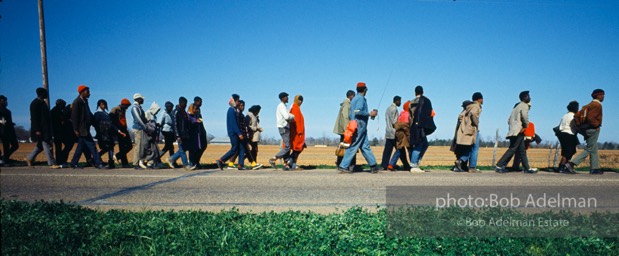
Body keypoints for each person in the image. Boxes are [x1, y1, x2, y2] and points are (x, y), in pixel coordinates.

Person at [338, 82, 380, 174]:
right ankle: (343, 165)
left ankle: (373, 166)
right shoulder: (360, 99)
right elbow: (357, 112)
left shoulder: (355, 99)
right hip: (360, 125)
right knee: (354, 145)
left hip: (359, 125)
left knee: (365, 146)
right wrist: (369, 114)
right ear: (365, 90)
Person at [495, 91, 536, 174]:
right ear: (524, 98)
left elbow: (509, 119)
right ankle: (499, 165)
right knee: (512, 149)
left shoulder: (516, 106)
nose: (530, 98)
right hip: (518, 131)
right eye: (528, 96)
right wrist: (525, 126)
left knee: (522, 151)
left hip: (513, 130)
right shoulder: (524, 105)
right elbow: (524, 116)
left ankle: (527, 168)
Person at [565, 89, 605, 175]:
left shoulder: (586, 106)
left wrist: (581, 127)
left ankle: (595, 168)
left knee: (593, 148)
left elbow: (576, 116)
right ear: (598, 96)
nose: (603, 97)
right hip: (593, 129)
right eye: (602, 95)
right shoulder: (597, 105)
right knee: (590, 149)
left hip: (586, 129)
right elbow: (591, 118)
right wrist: (596, 125)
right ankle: (571, 164)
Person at [69, 85, 105, 169]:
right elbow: (74, 117)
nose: (89, 93)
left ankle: (74, 163)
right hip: (82, 129)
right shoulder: (77, 102)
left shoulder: (85, 101)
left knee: (80, 147)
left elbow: (88, 114)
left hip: (85, 128)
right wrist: (75, 129)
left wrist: (94, 121)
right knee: (92, 146)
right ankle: (98, 163)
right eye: (87, 92)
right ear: (81, 92)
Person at [25, 88, 60, 168]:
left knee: (40, 146)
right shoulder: (35, 104)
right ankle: (52, 163)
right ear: (41, 94)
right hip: (41, 129)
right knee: (48, 145)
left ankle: (29, 158)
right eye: (45, 93)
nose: (47, 95)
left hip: (46, 128)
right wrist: (37, 129)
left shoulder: (43, 103)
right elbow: (34, 118)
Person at [454, 92, 483, 173]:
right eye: (482, 98)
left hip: (467, 130)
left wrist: (465, 125)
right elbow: (474, 114)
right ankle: (472, 167)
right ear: (479, 99)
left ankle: (460, 161)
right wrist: (475, 123)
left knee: (470, 148)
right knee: (475, 148)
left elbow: (460, 116)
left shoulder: (468, 107)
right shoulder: (476, 106)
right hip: (473, 130)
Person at [215, 98, 246, 170]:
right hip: (233, 133)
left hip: (237, 132)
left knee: (242, 148)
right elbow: (233, 123)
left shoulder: (235, 110)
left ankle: (240, 165)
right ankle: (221, 160)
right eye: (237, 101)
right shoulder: (231, 110)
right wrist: (239, 133)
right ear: (234, 101)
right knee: (234, 149)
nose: (238, 102)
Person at [409, 86, 434, 173]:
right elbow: (429, 113)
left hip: (413, 126)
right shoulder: (426, 101)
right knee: (419, 144)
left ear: (415, 92)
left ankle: (415, 161)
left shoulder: (411, 102)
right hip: (421, 126)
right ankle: (414, 164)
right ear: (423, 92)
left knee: (424, 144)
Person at [94, 99, 126, 169]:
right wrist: (98, 132)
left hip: (109, 133)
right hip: (102, 133)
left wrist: (118, 131)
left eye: (105, 104)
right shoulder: (97, 113)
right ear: (99, 105)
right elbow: (95, 124)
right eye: (102, 104)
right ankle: (96, 158)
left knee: (110, 147)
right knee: (107, 147)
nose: (104, 106)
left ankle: (110, 162)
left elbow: (111, 124)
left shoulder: (106, 113)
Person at [167, 97, 196, 170]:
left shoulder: (183, 112)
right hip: (180, 134)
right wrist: (177, 135)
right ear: (181, 103)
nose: (186, 105)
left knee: (184, 148)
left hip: (185, 134)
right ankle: (186, 165)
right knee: (182, 150)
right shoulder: (176, 112)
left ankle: (172, 159)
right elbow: (175, 125)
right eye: (185, 103)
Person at [269, 92, 295, 170]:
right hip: (284, 127)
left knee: (287, 146)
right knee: (287, 147)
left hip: (284, 127)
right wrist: (293, 116)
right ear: (282, 98)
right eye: (286, 97)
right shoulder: (281, 106)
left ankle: (286, 164)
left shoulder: (283, 106)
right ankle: (274, 158)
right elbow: (287, 116)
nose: (287, 98)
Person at [333, 90, 356, 168]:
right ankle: (347, 164)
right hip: (345, 130)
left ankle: (340, 163)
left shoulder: (345, 104)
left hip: (343, 129)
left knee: (343, 146)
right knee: (347, 146)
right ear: (351, 96)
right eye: (354, 96)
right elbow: (346, 117)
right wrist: (349, 130)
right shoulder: (347, 104)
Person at [556, 101, 580, 174]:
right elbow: (576, 126)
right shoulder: (573, 116)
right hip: (569, 134)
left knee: (566, 151)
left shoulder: (565, 115)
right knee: (568, 152)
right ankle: (562, 167)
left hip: (561, 134)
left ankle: (563, 166)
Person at [109, 98, 133, 168]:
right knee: (122, 147)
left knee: (129, 146)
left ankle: (117, 156)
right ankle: (124, 163)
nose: (127, 108)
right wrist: (118, 130)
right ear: (123, 104)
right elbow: (111, 120)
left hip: (124, 129)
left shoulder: (123, 110)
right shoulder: (115, 109)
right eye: (127, 106)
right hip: (119, 130)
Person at [389, 100, 411, 171]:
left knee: (400, 149)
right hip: (404, 135)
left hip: (398, 134)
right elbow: (407, 126)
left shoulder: (401, 114)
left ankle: (391, 164)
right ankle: (413, 164)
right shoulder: (408, 115)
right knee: (410, 149)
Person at [50, 99, 74, 167]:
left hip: (59, 131)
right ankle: (60, 160)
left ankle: (61, 160)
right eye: (63, 105)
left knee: (62, 146)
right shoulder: (56, 111)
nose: (64, 106)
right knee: (62, 146)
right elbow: (62, 119)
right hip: (58, 131)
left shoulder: (56, 110)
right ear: (60, 104)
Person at [381, 96, 401, 170]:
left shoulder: (388, 108)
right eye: (399, 101)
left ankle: (384, 165)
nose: (400, 103)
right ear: (397, 101)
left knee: (387, 150)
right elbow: (394, 121)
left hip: (388, 131)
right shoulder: (394, 109)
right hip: (394, 132)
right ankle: (392, 164)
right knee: (400, 149)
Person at [0, 95, 20, 166]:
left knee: (15, 145)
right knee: (6, 146)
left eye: (6, 100)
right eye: (4, 100)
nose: (6, 102)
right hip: (3, 131)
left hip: (10, 131)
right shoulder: (1, 111)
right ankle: (5, 160)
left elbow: (7, 121)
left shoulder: (8, 111)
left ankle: (4, 158)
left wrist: (11, 123)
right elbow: (2, 121)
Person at [288, 95, 306, 170]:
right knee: (297, 149)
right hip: (297, 133)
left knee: (298, 149)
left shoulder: (296, 108)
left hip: (297, 132)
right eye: (299, 100)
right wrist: (300, 132)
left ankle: (291, 163)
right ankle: (291, 163)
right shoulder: (295, 108)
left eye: (302, 100)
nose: (300, 101)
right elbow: (297, 122)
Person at [143, 101, 162, 168]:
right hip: (148, 134)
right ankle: (147, 161)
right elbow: (146, 124)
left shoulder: (154, 116)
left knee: (154, 149)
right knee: (150, 149)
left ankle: (153, 162)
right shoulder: (147, 113)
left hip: (153, 134)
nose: (157, 112)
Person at [131, 93, 148, 169]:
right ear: (138, 99)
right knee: (138, 147)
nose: (143, 100)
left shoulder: (139, 107)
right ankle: (135, 163)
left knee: (141, 146)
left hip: (141, 129)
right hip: (138, 129)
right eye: (142, 99)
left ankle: (138, 162)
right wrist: (145, 126)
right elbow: (138, 119)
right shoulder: (135, 108)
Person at [191, 96, 208, 168]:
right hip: (194, 133)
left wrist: (203, 130)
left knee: (203, 146)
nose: (201, 103)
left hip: (200, 132)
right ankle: (194, 162)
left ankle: (197, 161)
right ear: (196, 101)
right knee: (196, 148)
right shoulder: (191, 110)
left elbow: (201, 122)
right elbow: (190, 120)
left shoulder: (199, 111)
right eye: (200, 102)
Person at [246, 105, 264, 170]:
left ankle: (254, 162)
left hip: (254, 135)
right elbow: (247, 125)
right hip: (251, 135)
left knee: (255, 150)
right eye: (258, 111)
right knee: (253, 150)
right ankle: (252, 162)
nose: (258, 112)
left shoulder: (254, 116)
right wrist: (255, 129)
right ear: (255, 111)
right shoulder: (249, 116)